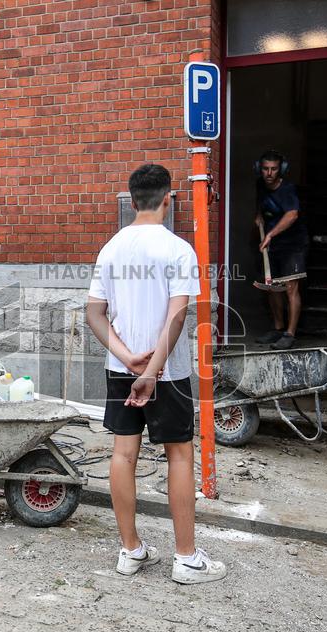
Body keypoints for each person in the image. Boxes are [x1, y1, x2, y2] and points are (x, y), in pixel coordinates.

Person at [86, 163, 227, 585]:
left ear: (132, 201)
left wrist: (128, 359)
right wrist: (152, 370)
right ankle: (186, 559)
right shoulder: (178, 249)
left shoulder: (110, 248)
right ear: (168, 199)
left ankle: (130, 551)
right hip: (168, 373)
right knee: (179, 455)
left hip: (121, 369)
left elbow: (94, 313)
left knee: (122, 455)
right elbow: (178, 315)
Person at [253, 150, 309, 350]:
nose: (269, 173)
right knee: (272, 287)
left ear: (281, 169)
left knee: (290, 289)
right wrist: (259, 215)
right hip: (272, 245)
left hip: (293, 244)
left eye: (274, 169)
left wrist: (270, 234)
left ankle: (289, 334)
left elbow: (292, 214)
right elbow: (261, 204)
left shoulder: (288, 190)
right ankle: (277, 328)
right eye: (265, 169)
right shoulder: (261, 184)